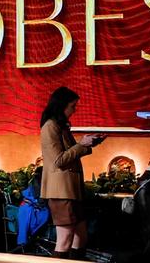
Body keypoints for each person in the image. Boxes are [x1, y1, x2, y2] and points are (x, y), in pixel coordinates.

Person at [39, 86, 106, 260]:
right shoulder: (50, 126)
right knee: (65, 238)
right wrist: (82, 144)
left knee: (81, 236)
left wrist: (88, 144)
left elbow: (70, 153)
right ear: (61, 105)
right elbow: (58, 161)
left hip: (72, 189)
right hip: (61, 191)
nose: (74, 110)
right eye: (72, 106)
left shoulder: (61, 126)